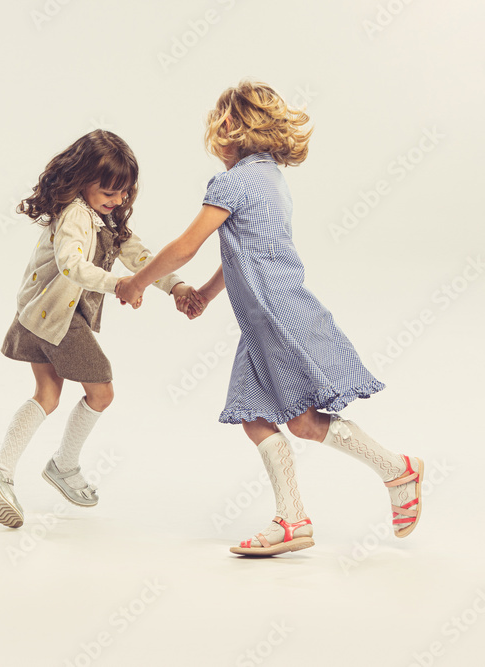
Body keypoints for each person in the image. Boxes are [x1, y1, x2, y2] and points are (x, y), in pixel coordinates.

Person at [117, 81, 422, 555]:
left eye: (216, 129)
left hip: (277, 316)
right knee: (256, 415)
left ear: (231, 128)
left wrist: (137, 283)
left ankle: (398, 470)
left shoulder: (232, 181)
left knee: (300, 420)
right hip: (263, 320)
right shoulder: (270, 178)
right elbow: (241, 252)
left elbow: (185, 246)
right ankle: (293, 519)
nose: (214, 141)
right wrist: (203, 294)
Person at [0, 130, 203, 528]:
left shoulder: (105, 217)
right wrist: (120, 285)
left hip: (35, 315)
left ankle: (1, 471)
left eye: (124, 193)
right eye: (109, 192)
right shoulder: (77, 215)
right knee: (102, 391)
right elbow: (71, 264)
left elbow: (140, 256)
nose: (118, 201)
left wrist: (176, 286)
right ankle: (63, 465)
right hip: (57, 321)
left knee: (47, 395)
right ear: (82, 181)